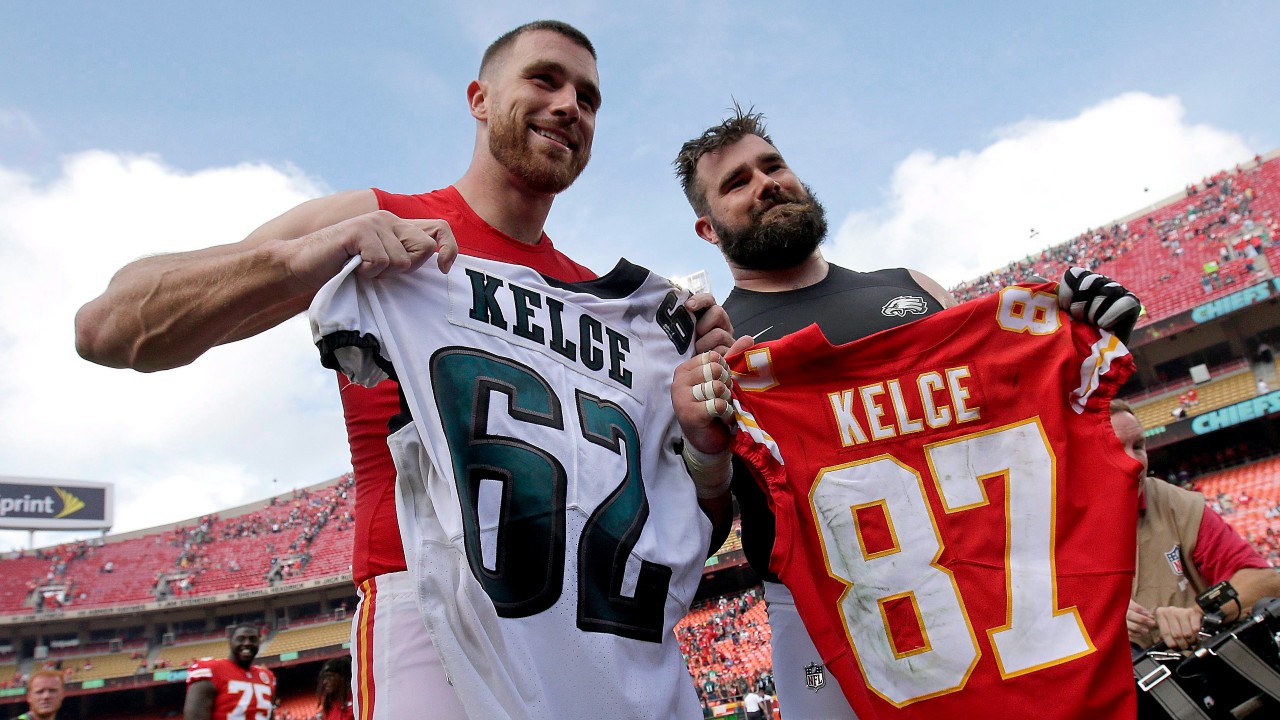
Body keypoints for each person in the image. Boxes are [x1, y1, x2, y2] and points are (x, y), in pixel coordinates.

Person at [76, 20, 730, 720]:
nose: (571, 104)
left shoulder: (617, 312)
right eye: (545, 79)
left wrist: (703, 441)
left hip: (597, 640)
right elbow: (109, 327)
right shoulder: (384, 225)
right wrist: (304, 259)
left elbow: (693, 535)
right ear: (480, 99)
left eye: (590, 98)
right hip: (431, 616)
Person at [671, 108, 1144, 720]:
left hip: (988, 590)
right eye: (737, 182)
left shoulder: (915, 290)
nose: (766, 183)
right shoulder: (715, 350)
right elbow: (699, 526)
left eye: (773, 165)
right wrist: (706, 452)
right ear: (707, 230)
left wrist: (1083, 340)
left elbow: (1022, 426)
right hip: (826, 620)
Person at [1111, 399, 1280, 650]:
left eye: (1138, 446)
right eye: (1114, 449)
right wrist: (1101, 619)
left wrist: (1198, 613)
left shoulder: (1178, 504)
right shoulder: (1047, 530)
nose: (1136, 462)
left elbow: (1265, 580)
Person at [184, 624, 276, 720]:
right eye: (241, 639)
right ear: (230, 641)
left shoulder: (267, 676)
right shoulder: (212, 670)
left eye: (253, 639)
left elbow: (269, 714)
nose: (247, 643)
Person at [315, 656, 354, 720]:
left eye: (330, 676)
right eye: (325, 677)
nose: (325, 682)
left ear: (343, 677)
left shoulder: (358, 701)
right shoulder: (329, 705)